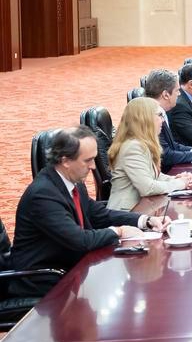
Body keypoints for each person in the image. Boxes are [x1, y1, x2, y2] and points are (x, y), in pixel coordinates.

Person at [9, 126, 169, 296]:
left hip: (72, 269)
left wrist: (146, 220)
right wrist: (119, 231)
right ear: (65, 161)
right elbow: (79, 240)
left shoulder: (73, 183)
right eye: (88, 160)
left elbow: (99, 215)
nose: (93, 166)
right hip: (44, 281)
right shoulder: (43, 194)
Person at [107, 98, 192, 211]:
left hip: (144, 207)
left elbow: (153, 175)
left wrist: (175, 178)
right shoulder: (133, 147)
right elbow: (147, 188)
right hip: (127, 212)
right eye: (159, 115)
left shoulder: (140, 143)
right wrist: (179, 184)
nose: (163, 120)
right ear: (145, 118)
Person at [143, 69, 192, 172]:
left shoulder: (160, 112)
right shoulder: (152, 116)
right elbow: (165, 155)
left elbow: (172, 145)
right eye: (177, 91)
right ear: (166, 95)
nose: (179, 94)